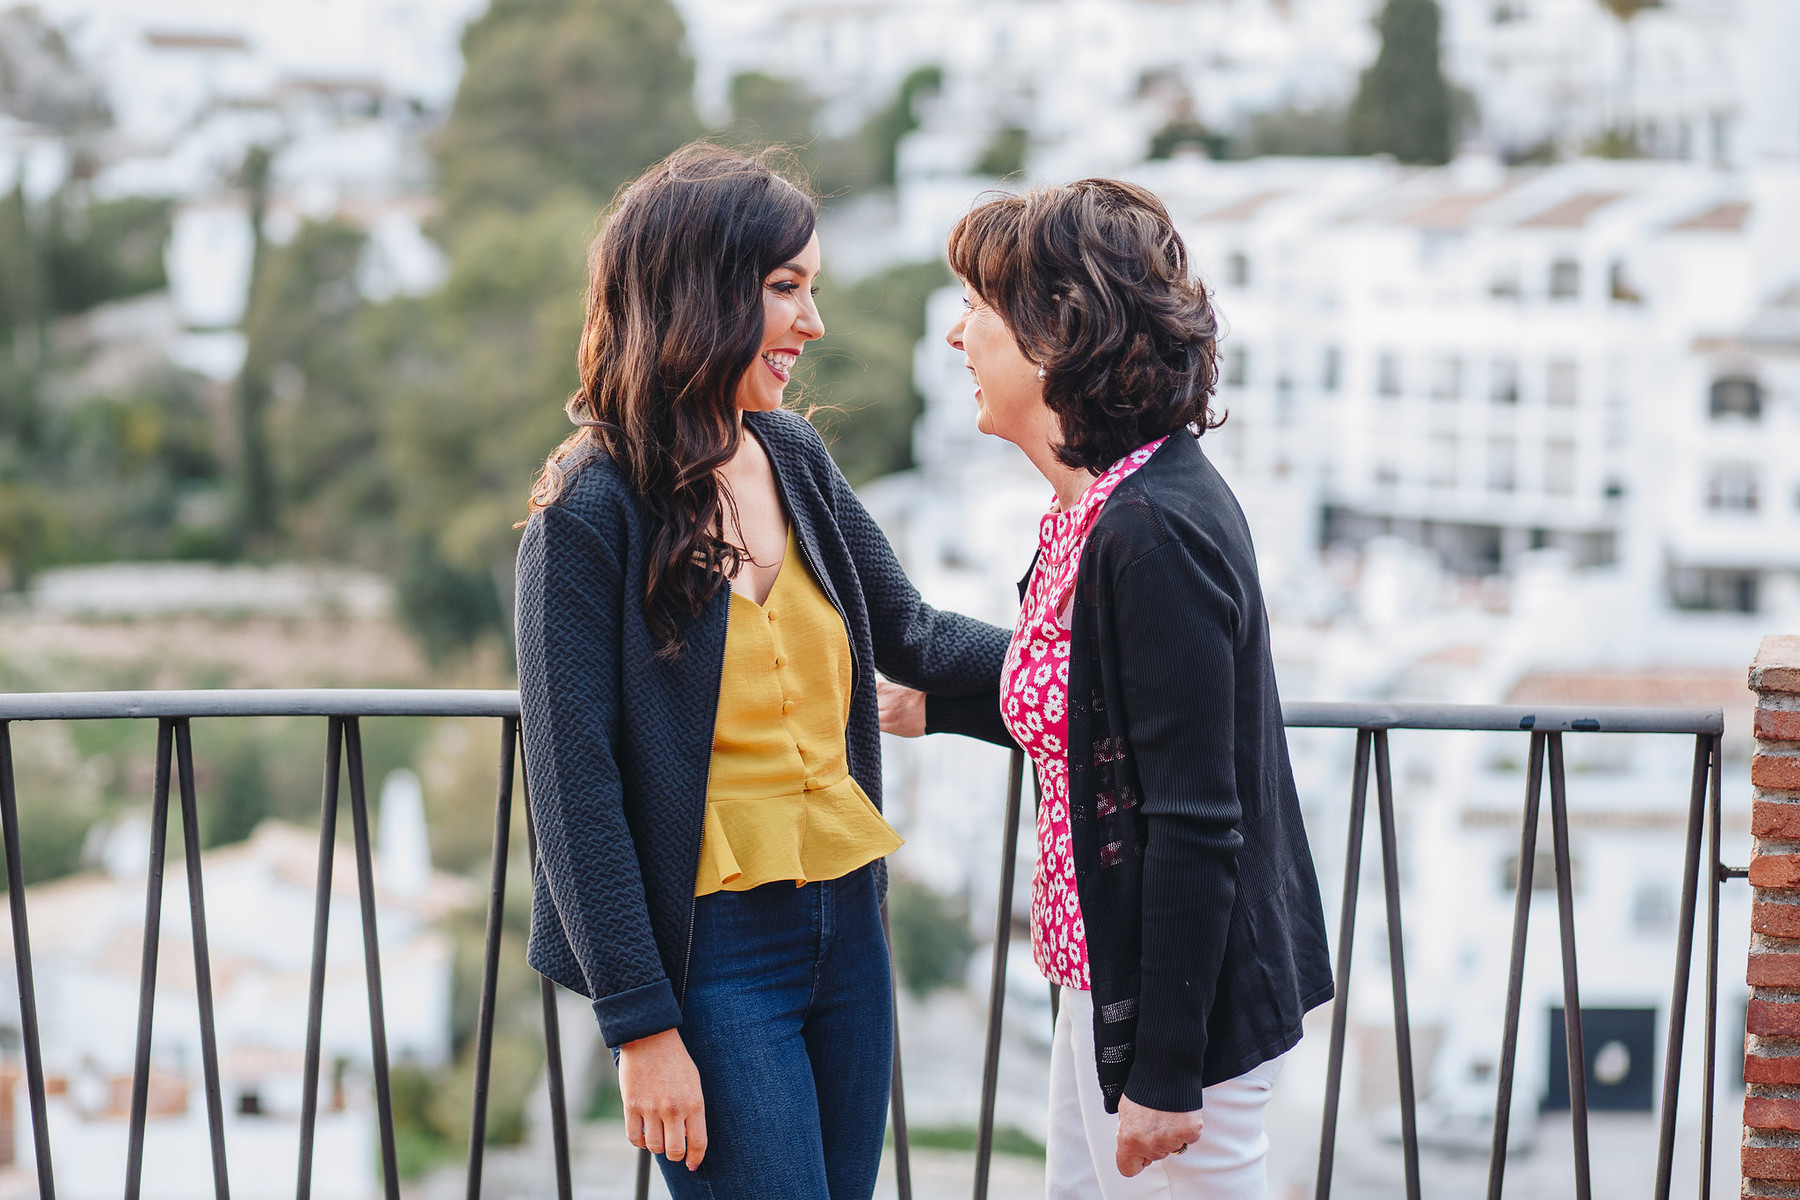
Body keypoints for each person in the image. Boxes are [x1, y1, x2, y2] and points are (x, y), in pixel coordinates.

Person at [514, 144, 1008, 1200]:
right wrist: (640, 1025)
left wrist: (1086, 668)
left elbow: (910, 631)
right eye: (786, 289)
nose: (812, 325)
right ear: (700, 292)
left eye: (812, 290)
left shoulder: (792, 457)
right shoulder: (591, 507)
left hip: (847, 928)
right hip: (713, 955)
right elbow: (573, 789)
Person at [879, 180, 1333, 1198]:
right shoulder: (1099, 507)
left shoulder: (1152, 530)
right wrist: (939, 707)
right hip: (1102, 977)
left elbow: (1193, 815)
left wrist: (1167, 1076)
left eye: (978, 313)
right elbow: (1103, 715)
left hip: (1185, 1022)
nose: (958, 340)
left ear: (1056, 337)